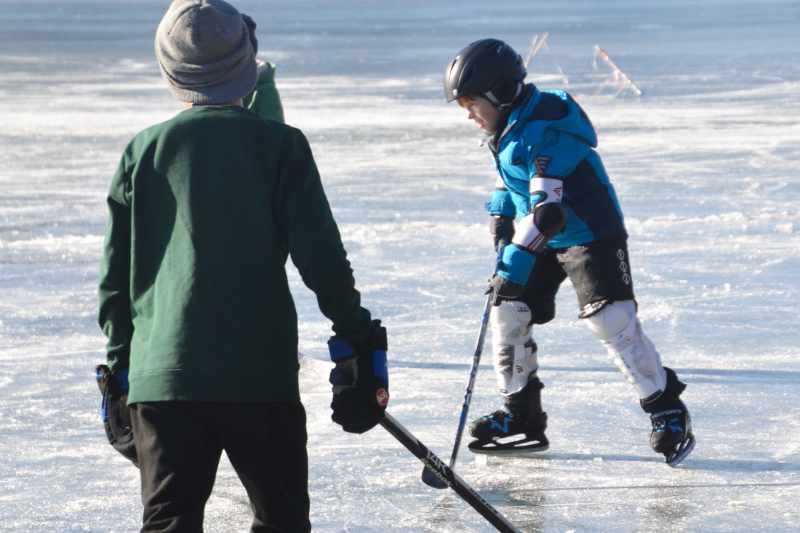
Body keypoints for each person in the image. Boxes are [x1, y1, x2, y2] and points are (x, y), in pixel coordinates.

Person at [96, 1, 389, 531]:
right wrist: (358, 338)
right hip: (259, 377)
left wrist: (119, 368)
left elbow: (115, 278)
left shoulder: (142, 151)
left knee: (169, 521)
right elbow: (321, 257)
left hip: (164, 380)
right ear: (248, 62)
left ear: (170, 71)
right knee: (281, 521)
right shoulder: (280, 145)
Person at [443, 38, 694, 466]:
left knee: (609, 318)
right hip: (540, 231)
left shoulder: (546, 131)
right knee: (508, 310)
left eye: (470, 102)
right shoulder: (507, 126)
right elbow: (512, 181)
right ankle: (521, 416)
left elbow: (549, 215)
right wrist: (501, 216)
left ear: (499, 94)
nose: (467, 113)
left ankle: (666, 408)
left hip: (588, 233)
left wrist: (515, 258)